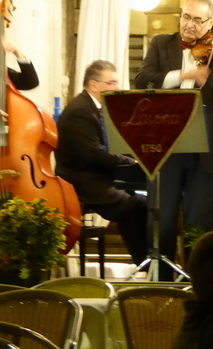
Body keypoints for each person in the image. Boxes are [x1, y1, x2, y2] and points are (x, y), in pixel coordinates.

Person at [135, 0, 213, 278]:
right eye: (186, 17)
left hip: (205, 148)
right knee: (161, 223)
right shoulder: (160, 44)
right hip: (164, 148)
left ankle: (199, 285)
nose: (189, 25)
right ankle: (159, 285)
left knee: (199, 225)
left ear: (211, 22)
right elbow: (143, 81)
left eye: (197, 20)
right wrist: (185, 74)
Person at [54, 60, 148, 265]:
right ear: (94, 84)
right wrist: (130, 162)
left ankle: (151, 262)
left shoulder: (96, 108)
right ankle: (145, 263)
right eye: (112, 83)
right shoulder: (80, 111)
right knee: (131, 205)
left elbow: (112, 146)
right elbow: (94, 154)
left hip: (99, 175)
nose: (117, 88)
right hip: (81, 180)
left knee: (147, 203)